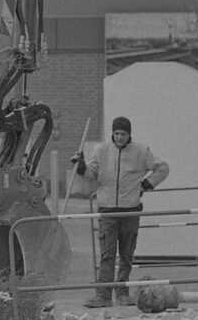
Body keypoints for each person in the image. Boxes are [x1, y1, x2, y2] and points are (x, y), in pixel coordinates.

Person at [72, 116, 169, 308]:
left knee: (126, 254)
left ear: (129, 134)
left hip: (130, 210)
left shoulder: (141, 151)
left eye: (123, 134)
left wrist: (146, 185)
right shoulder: (101, 150)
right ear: (112, 133)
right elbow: (92, 173)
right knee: (107, 254)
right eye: (116, 133)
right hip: (107, 209)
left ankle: (122, 294)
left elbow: (163, 168)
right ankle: (103, 295)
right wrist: (81, 167)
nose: (119, 137)